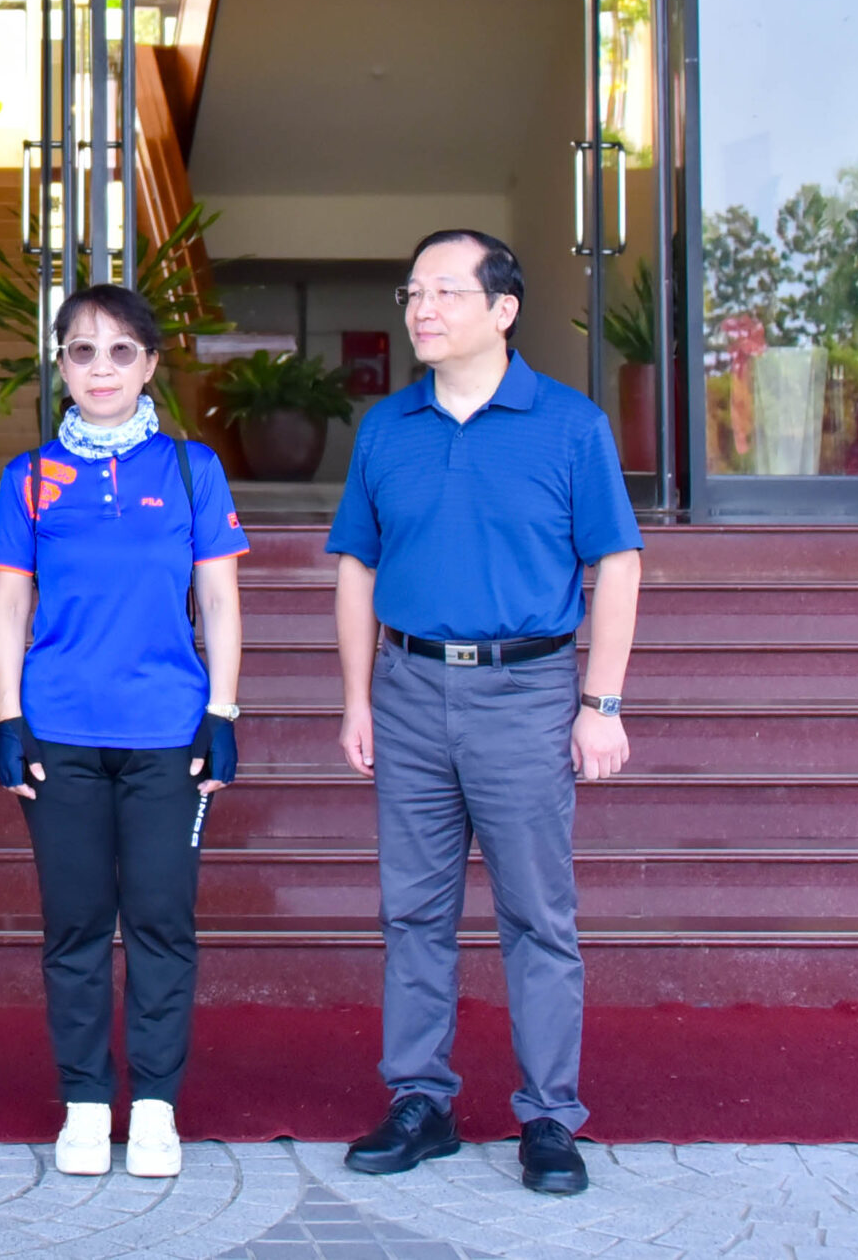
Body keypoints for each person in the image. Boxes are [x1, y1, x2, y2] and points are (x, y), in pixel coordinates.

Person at [328, 229, 642, 1197]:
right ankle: (420, 1100)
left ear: (502, 309)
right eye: (412, 291)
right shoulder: (387, 428)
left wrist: (600, 703)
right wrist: (356, 696)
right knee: (412, 910)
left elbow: (618, 563)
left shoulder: (570, 425)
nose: (421, 309)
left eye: (444, 292)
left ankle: (548, 1116)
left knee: (536, 913)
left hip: (526, 692)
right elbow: (356, 566)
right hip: (409, 688)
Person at [0, 283, 246, 1180]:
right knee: (77, 925)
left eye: (122, 350)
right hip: (60, 731)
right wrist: (8, 716)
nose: (102, 368)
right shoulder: (31, 475)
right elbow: (9, 604)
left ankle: (158, 1105)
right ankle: (88, 1104)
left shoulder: (191, 468)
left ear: (151, 364)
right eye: (83, 351)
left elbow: (219, 597)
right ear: (60, 364)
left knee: (163, 921)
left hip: (168, 731)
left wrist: (223, 711)